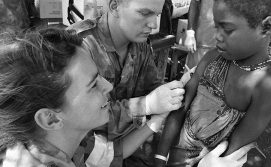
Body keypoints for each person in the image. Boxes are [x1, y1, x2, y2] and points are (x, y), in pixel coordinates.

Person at [0, 28, 168, 167]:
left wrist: (156, 121)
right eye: (93, 85)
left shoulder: (62, 139)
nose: (108, 86)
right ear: (50, 118)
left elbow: (113, 153)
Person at [155, 0, 271, 166]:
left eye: (227, 29)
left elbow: (233, 151)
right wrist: (160, 157)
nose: (217, 36)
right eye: (216, 27)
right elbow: (180, 109)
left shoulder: (268, 85)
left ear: (266, 27)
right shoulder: (212, 57)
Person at [66, 0, 188, 166]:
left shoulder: (141, 47)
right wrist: (145, 105)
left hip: (127, 148)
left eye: (157, 15)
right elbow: (77, 118)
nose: (153, 24)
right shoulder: (77, 46)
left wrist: (176, 90)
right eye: (145, 13)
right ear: (115, 6)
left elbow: (154, 90)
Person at [183, 0, 216, 68]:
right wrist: (190, 33)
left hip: (226, 45)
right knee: (194, 74)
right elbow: (194, 3)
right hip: (203, 43)